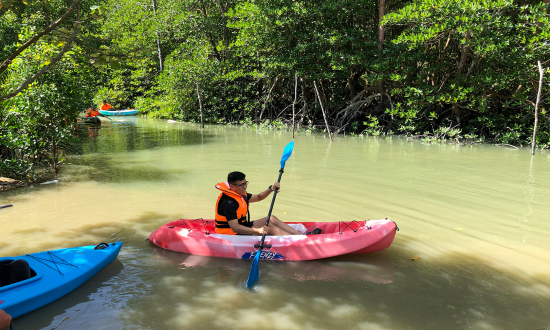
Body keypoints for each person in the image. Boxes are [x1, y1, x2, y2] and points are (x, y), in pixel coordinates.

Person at [214, 171, 322, 236]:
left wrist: (271, 189)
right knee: (269, 227)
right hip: (230, 234)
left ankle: (301, 235)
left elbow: (259, 197)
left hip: (242, 226)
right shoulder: (228, 202)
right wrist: (258, 230)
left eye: (245, 183)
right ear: (231, 186)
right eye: (241, 185)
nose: (245, 187)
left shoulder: (240, 194)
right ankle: (297, 240)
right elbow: (235, 228)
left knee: (271, 219)